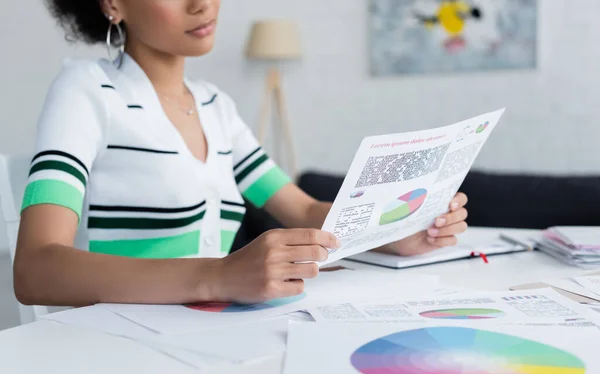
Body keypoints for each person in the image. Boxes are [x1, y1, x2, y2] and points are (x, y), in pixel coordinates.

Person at [14, 0, 469, 307]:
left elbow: (303, 208)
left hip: (207, 334)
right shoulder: (86, 90)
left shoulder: (215, 106)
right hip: (118, 344)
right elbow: (35, 269)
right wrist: (218, 276)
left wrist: (397, 230)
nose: (202, 3)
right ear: (112, 4)